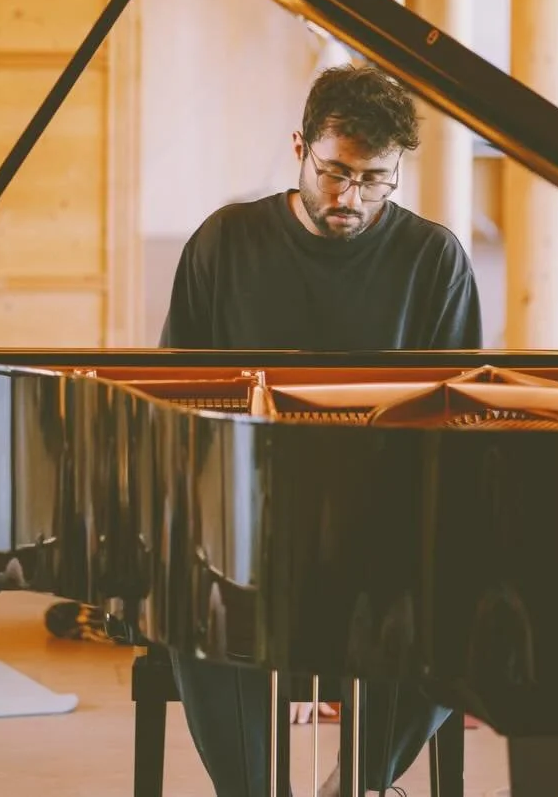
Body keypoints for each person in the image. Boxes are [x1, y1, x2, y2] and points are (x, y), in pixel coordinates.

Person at [162, 65, 481, 797]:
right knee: (194, 601)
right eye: (335, 172)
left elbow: (457, 420)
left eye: (376, 181)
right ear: (300, 146)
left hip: (383, 530)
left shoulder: (434, 260)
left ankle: (356, 786)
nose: (352, 197)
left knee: (468, 606)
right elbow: (175, 400)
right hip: (246, 525)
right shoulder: (225, 242)